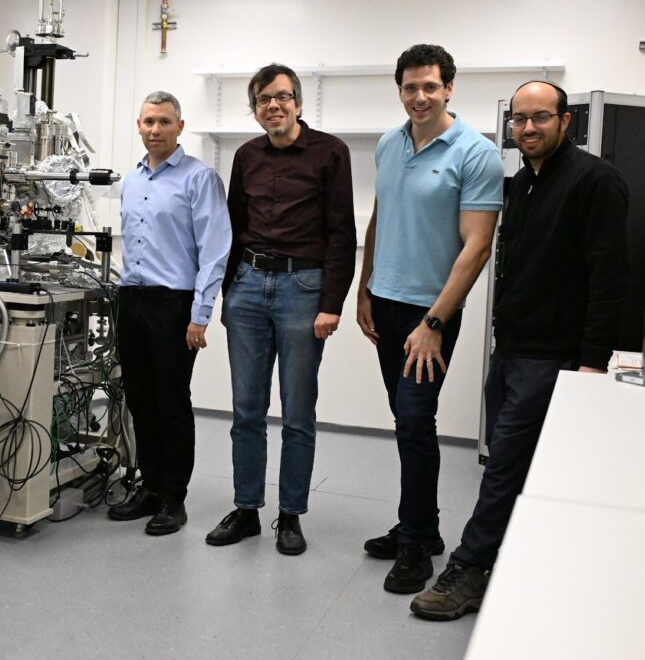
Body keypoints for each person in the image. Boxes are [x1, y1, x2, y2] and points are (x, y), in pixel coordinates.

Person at [410, 80, 629, 620]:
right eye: (519, 120)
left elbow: (610, 280)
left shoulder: (596, 182)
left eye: (540, 118)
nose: (528, 128)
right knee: (512, 467)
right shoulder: (521, 184)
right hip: (510, 349)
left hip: (554, 357)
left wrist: (590, 364)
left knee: (505, 466)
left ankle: (469, 568)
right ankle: (520, 562)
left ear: (565, 121)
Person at [356, 44, 503, 594]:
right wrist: (365, 288)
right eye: (410, 87)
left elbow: (477, 246)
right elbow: (379, 218)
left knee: (416, 421)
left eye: (430, 87)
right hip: (386, 302)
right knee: (405, 420)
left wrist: (435, 322)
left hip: (430, 313)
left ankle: (416, 543)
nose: (420, 97)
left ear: (449, 88)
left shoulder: (476, 152)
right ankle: (424, 526)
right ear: (399, 90)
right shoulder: (389, 144)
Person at [205, 64, 356, 554]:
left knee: (297, 412)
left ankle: (290, 514)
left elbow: (342, 234)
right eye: (264, 99)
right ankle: (247, 509)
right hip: (248, 285)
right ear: (254, 109)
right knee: (246, 410)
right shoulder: (247, 156)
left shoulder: (331, 152)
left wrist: (331, 303)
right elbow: (232, 226)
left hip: (302, 287)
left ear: (298, 103)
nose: (274, 106)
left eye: (283, 97)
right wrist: (229, 294)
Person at [109, 91, 231, 536]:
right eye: (147, 122)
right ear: (138, 126)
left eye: (163, 122)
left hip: (173, 304)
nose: (155, 129)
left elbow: (215, 250)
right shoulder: (132, 179)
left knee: (172, 402)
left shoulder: (200, 179)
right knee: (140, 399)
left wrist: (199, 315)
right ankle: (150, 486)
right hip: (133, 299)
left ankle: (174, 499)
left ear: (180, 126)